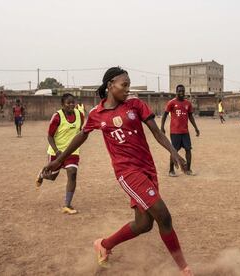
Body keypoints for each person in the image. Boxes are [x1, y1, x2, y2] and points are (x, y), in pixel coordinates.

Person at [41, 67, 194, 275]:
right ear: (110, 85)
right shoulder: (97, 114)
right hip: (127, 172)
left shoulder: (136, 104)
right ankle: (185, 269)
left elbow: (156, 132)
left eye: (129, 84)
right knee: (164, 216)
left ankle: (104, 244)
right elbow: (81, 136)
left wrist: (175, 153)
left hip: (147, 168)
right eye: (124, 84)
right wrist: (59, 160)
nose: (127, 89)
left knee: (144, 224)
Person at [36, 93, 84, 214]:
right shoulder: (57, 117)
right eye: (68, 103)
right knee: (52, 177)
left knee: (72, 173)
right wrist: (57, 151)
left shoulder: (80, 115)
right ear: (62, 104)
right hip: (56, 151)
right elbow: (50, 136)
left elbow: (79, 131)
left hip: (72, 152)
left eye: (73, 102)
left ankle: (67, 205)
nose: (71, 105)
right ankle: (41, 175)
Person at [161, 84, 200, 177]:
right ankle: (171, 170)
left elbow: (190, 116)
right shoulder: (171, 103)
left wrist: (196, 128)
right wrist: (162, 127)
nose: (181, 93)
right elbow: (165, 115)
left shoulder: (188, 104)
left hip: (185, 132)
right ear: (176, 92)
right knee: (174, 151)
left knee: (188, 149)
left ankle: (188, 169)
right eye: (179, 91)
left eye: (183, 91)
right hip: (175, 132)